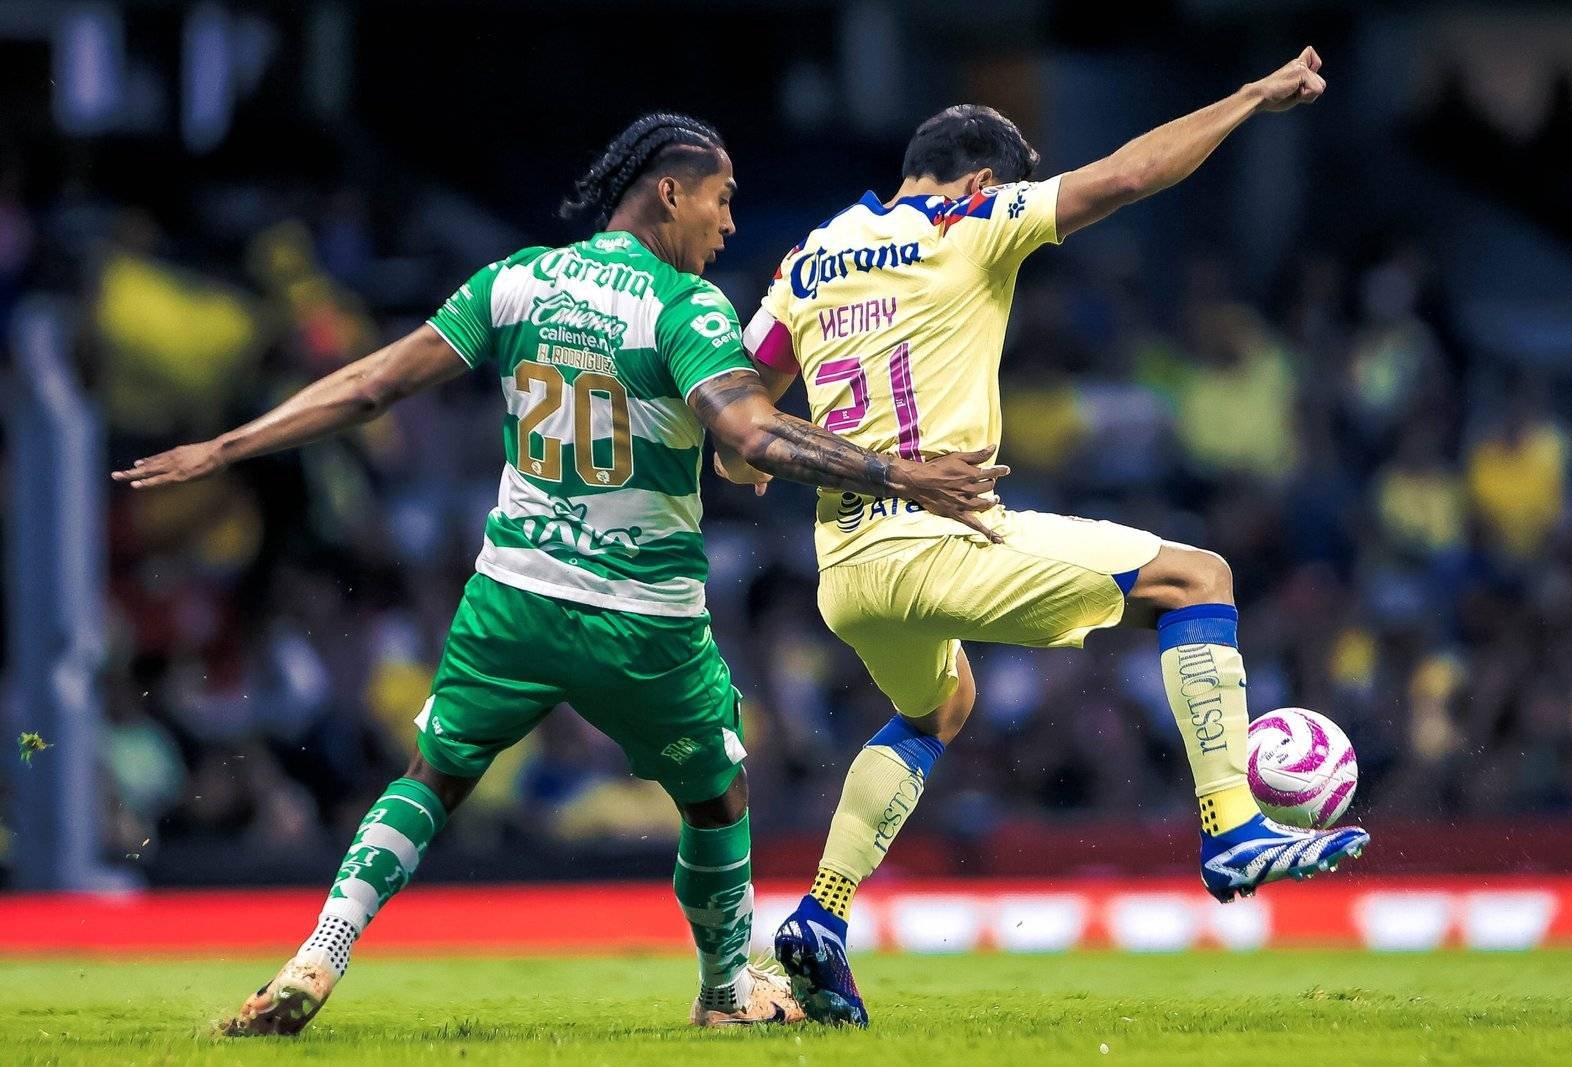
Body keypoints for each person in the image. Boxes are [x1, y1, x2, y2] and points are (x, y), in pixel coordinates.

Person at [114, 112, 1005, 1033]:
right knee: (718, 793)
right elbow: (750, 434)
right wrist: (898, 472)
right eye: (722, 200)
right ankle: (724, 992)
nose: (729, 225)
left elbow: (372, 382)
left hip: (514, 596)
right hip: (641, 616)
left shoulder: (517, 278)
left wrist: (226, 444)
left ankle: (317, 955)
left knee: (433, 772)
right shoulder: (682, 306)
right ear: (670, 192)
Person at [736, 49, 1369, 1027]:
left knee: (941, 705)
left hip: (846, 566)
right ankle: (1232, 825)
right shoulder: (968, 220)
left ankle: (820, 916)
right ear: (984, 178)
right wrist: (1245, 95)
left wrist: (848, 463)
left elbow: (739, 444)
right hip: (937, 535)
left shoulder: (803, 262)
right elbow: (1124, 177)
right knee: (1196, 575)